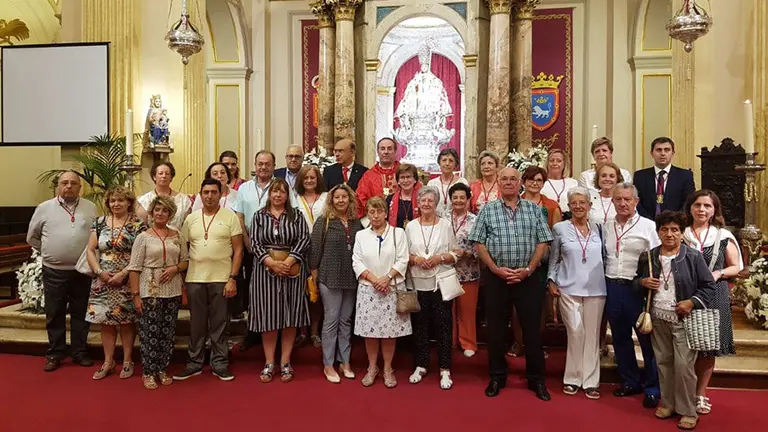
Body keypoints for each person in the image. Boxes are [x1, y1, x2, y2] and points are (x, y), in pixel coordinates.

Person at [468, 167, 553, 400]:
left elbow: (543, 242)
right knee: (496, 331)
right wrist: (494, 268)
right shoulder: (488, 210)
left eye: (512, 179)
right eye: (504, 179)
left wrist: (528, 270)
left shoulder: (534, 210)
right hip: (497, 279)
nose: (508, 183)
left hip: (527, 279)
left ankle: (536, 380)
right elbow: (478, 242)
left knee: (532, 332)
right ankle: (497, 376)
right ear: (498, 182)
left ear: (520, 183)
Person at [635, 211, 717, 431]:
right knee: (662, 363)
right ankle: (669, 404)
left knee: (683, 367)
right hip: (657, 318)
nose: (669, 234)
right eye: (664, 229)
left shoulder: (692, 256)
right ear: (658, 232)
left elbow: (709, 286)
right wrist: (642, 282)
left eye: (674, 230)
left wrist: (691, 302)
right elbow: (634, 282)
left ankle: (688, 410)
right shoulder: (649, 256)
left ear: (682, 233)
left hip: (684, 319)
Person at [27, 171, 98, 372]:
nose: (69, 186)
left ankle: (79, 352)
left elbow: (96, 235)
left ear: (80, 187)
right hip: (54, 270)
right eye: (64, 183)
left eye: (73, 183)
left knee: (81, 313)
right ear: (58, 186)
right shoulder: (44, 208)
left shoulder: (90, 207)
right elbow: (32, 238)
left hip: (83, 270)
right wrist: (49, 251)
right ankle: (55, 353)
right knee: (55, 312)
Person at [174, 179, 243, 382]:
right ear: (201, 194)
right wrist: (183, 283)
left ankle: (219, 363)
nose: (210, 196)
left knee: (219, 323)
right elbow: (183, 250)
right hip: (195, 278)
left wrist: (233, 278)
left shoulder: (230, 217)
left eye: (214, 192)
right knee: (196, 324)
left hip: (221, 278)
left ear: (220, 194)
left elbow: (238, 250)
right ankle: (194, 363)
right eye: (206, 192)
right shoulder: (191, 219)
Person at [683, 190, 742, 414]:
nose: (702, 209)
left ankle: (700, 394)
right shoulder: (681, 233)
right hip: (686, 294)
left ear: (714, 210)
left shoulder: (722, 235)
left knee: (707, 348)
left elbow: (736, 267)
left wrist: (718, 273)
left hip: (715, 295)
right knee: (684, 346)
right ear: (690, 208)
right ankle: (684, 392)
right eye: (697, 205)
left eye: (707, 206)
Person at [603, 182, 661, 407]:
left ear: (636, 202)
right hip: (612, 286)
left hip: (637, 287)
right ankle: (630, 381)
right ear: (613, 201)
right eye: (618, 199)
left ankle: (653, 387)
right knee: (619, 337)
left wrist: (650, 284)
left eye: (627, 199)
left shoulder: (647, 226)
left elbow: (657, 258)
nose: (623, 203)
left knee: (646, 338)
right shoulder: (606, 226)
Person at [249, 178, 311, 383]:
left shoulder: (297, 216)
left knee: (289, 316)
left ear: (287, 195)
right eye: (274, 191)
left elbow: (304, 239)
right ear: (269, 194)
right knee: (269, 317)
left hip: (291, 270)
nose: (278, 195)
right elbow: (255, 242)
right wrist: (271, 263)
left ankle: (285, 362)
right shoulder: (259, 216)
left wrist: (289, 260)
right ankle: (269, 362)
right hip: (265, 271)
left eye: (282, 192)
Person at [547, 187, 606, 399]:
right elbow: (554, 257)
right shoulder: (560, 228)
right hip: (567, 287)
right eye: (574, 203)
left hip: (596, 288)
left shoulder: (600, 228)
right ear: (569, 206)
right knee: (575, 332)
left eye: (583, 202)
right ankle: (572, 377)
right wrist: (551, 280)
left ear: (590, 206)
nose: (578, 206)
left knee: (592, 335)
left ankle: (591, 381)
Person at [127, 196, 188, 390]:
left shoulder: (177, 235)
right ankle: (148, 371)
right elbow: (134, 268)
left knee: (167, 332)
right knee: (149, 332)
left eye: (164, 211)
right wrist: (136, 295)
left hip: (172, 289)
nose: (160, 214)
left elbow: (185, 261)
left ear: (170, 214)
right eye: (157, 210)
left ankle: (162, 368)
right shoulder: (143, 237)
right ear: (151, 213)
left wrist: (174, 269)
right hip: (149, 288)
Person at [85, 186, 147, 380]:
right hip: (103, 280)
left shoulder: (138, 224)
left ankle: (128, 360)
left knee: (127, 321)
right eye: (112, 201)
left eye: (120, 200)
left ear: (129, 202)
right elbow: (90, 250)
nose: (116, 204)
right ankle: (108, 361)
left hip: (128, 279)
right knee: (106, 322)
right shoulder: (99, 223)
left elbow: (141, 254)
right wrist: (99, 272)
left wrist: (123, 273)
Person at [352, 197, 411, 388]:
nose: (375, 215)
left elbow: (403, 259)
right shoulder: (361, 235)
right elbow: (357, 261)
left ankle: (387, 368)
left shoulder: (398, 233)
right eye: (371, 211)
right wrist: (374, 279)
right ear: (367, 214)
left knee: (389, 333)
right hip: (368, 289)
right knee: (370, 333)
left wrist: (387, 277)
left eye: (379, 211)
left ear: (386, 213)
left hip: (391, 287)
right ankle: (371, 367)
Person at [405, 187, 458, 390]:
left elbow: (455, 254)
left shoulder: (445, 225)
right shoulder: (410, 226)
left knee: (443, 326)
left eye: (430, 200)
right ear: (418, 203)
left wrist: (439, 258)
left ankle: (445, 368)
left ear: (436, 204)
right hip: (417, 283)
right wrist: (416, 259)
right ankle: (421, 365)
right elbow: (404, 254)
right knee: (420, 326)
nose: (426, 204)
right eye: (423, 200)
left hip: (440, 283)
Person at [309, 184, 363, 383]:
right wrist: (314, 275)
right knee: (331, 320)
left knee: (345, 321)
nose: (341, 200)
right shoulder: (323, 221)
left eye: (344, 197)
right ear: (331, 200)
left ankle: (345, 361)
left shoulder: (356, 223)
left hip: (351, 278)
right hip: (329, 278)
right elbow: (314, 250)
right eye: (337, 197)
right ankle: (328, 364)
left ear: (350, 200)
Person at [295, 164, 328, 347]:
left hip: (322, 250)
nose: (309, 181)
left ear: (318, 180)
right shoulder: (294, 198)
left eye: (312, 178)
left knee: (317, 292)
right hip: (299, 250)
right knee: (300, 292)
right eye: (306, 178)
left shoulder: (326, 197)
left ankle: (315, 331)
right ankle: (301, 331)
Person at [449, 183, 480, 358]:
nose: (458, 201)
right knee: (448, 310)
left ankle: (468, 342)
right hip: (446, 271)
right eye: (455, 197)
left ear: (468, 200)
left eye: (462, 197)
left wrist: (468, 253)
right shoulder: (443, 218)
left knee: (467, 310)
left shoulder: (475, 220)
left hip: (468, 271)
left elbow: (482, 246)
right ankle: (451, 341)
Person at [633, 137, 696, 220]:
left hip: (676, 224)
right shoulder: (640, 176)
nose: (662, 153)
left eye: (667, 150)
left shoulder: (685, 176)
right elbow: (636, 201)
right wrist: (649, 223)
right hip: (646, 225)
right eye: (658, 150)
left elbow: (688, 202)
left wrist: (672, 221)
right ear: (652, 153)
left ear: (672, 153)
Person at [137, 161, 193, 230]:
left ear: (171, 178)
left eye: (167, 174)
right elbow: (141, 227)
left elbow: (187, 226)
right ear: (154, 177)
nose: (164, 176)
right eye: (160, 173)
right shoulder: (145, 199)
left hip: (177, 238)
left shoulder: (183, 199)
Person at [355, 137, 400, 216]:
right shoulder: (368, 175)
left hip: (399, 217)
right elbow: (360, 197)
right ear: (378, 152)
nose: (386, 152)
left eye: (389, 149)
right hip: (375, 217)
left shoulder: (404, 173)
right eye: (382, 149)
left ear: (395, 151)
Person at [426, 148, 468, 217]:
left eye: (451, 161)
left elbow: (466, 205)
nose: (447, 164)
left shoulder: (462, 182)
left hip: (456, 221)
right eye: (444, 160)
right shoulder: (432, 183)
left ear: (456, 164)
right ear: (439, 163)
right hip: (436, 222)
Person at [541, 149, 578, 213]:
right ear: (547, 163)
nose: (555, 163)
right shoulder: (541, 182)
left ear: (564, 164)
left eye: (559, 161)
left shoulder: (573, 183)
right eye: (551, 161)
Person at [385, 163, 421, 228]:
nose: (405, 180)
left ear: (415, 180)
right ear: (398, 181)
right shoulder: (390, 199)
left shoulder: (422, 199)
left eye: (408, 177)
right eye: (402, 177)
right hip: (395, 236)